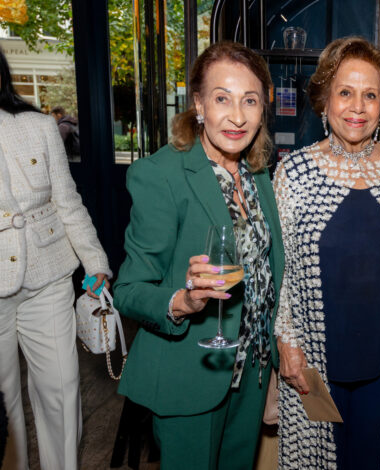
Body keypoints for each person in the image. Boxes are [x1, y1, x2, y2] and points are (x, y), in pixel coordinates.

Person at [113, 41, 283, 470]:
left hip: (252, 370)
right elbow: (129, 289)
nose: (237, 116)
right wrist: (182, 301)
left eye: (250, 100)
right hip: (190, 372)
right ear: (199, 104)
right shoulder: (161, 174)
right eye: (222, 98)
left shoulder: (258, 172)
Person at [274, 36, 380, 469]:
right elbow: (281, 269)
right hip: (315, 360)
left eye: (370, 95)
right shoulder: (294, 172)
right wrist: (287, 343)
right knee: (319, 459)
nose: (358, 107)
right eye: (345, 92)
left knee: (376, 460)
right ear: (325, 100)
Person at [0, 46, 111, 470]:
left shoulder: (38, 126)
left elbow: (67, 202)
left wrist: (95, 262)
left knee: (61, 389)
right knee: (3, 399)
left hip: (47, 273)